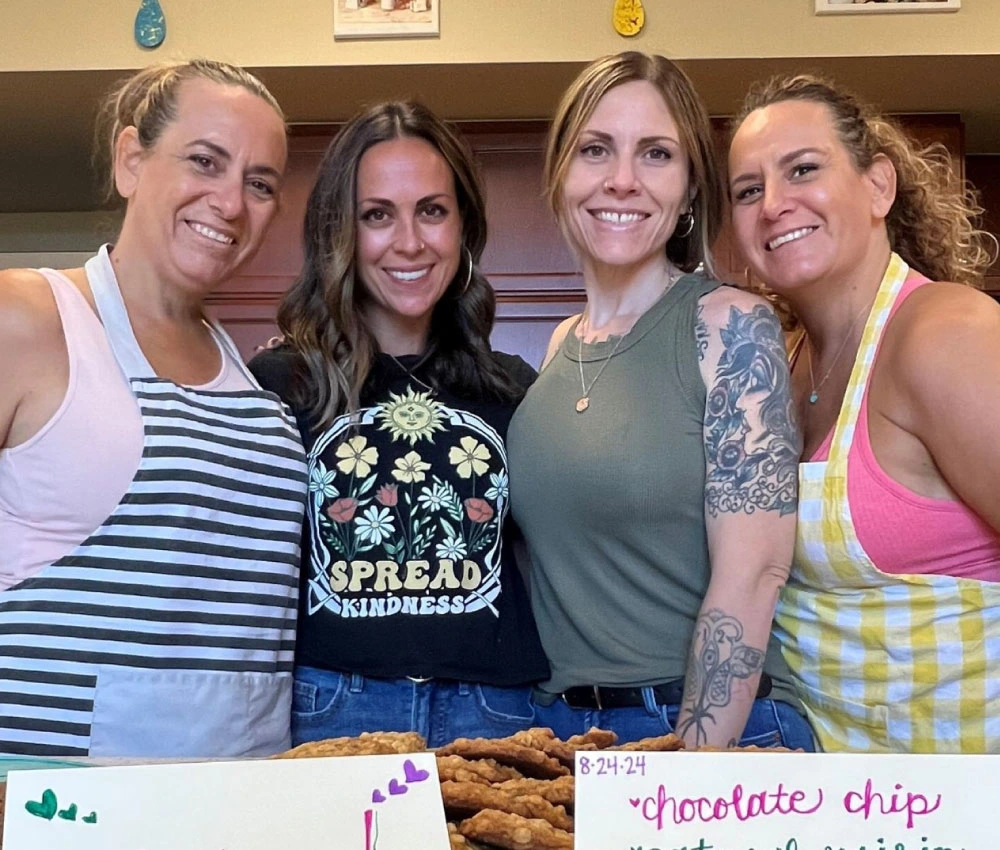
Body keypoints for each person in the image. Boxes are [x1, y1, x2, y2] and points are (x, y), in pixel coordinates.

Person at [507, 51, 815, 750]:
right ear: (559, 172)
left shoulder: (730, 325)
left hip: (707, 728)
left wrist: (690, 775)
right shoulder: (559, 346)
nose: (622, 180)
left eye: (655, 154)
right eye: (595, 150)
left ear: (686, 188)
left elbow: (756, 569)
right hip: (564, 734)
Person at [0, 60, 307, 758]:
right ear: (131, 159)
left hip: (242, 796)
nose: (230, 203)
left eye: (258, 184)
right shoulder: (28, 317)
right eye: (205, 161)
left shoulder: (253, 375)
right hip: (51, 794)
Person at [249, 101, 548, 748]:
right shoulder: (279, 385)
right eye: (377, 215)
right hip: (329, 707)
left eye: (432, 211)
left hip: (496, 713)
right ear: (341, 233)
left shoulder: (516, 387)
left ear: (463, 226)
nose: (408, 242)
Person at [728, 74, 1000, 752]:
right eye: (748, 190)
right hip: (825, 801)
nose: (774, 205)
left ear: (879, 186)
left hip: (960, 801)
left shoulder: (945, 334)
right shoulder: (779, 365)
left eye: (803, 170)